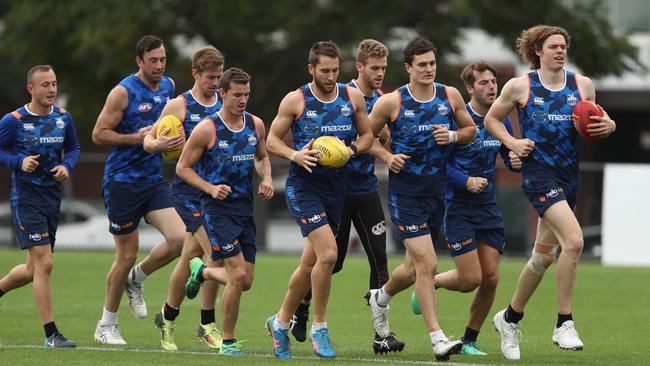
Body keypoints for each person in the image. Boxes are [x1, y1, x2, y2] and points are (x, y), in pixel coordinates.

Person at [485, 25, 616, 360]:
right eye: (553, 46)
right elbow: (491, 120)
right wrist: (513, 142)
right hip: (538, 176)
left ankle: (509, 318)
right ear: (538, 51)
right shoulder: (520, 86)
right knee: (574, 241)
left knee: (542, 257)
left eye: (564, 46)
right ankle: (564, 323)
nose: (560, 51)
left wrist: (609, 125)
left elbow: (595, 123)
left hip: (569, 178)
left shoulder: (582, 85)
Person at [289, 39, 405, 354]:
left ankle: (382, 333)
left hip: (365, 188)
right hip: (335, 191)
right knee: (331, 262)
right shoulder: (343, 95)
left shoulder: (382, 100)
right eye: (375, 68)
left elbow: (378, 136)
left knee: (380, 258)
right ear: (360, 67)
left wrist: (382, 143)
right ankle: (301, 307)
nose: (380, 74)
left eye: (384, 68)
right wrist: (379, 152)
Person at [366, 37, 476, 361]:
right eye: (422, 64)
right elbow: (364, 137)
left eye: (432, 63)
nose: (429, 69)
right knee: (428, 264)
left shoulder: (449, 95)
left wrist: (454, 135)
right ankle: (438, 338)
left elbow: (471, 130)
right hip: (406, 195)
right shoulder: (391, 102)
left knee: (412, 269)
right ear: (408, 68)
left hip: (436, 193)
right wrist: (387, 156)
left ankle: (380, 298)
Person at [264, 40, 373, 359]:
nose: (330, 76)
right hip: (304, 187)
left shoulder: (352, 97)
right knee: (328, 255)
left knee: (310, 262)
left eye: (335, 70)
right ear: (311, 69)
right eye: (324, 70)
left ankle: (280, 322)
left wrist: (351, 150)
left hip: (335, 189)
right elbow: (271, 140)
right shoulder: (295, 100)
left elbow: (367, 136)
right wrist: (294, 154)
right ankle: (320, 328)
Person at [411, 60, 522, 356]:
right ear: (470, 88)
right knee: (470, 279)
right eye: (483, 83)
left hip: (488, 207)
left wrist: (515, 160)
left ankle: (470, 340)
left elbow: (507, 156)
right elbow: (439, 164)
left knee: (492, 278)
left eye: (493, 82)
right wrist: (465, 181)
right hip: (457, 206)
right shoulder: (458, 120)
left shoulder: (501, 120)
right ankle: (430, 283)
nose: (491, 87)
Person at [92, 35, 185, 345]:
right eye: (153, 60)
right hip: (122, 181)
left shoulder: (169, 87)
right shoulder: (123, 92)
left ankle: (138, 279)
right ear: (139, 62)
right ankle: (106, 325)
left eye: (162, 59)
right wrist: (138, 137)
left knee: (179, 239)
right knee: (126, 254)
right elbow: (99, 134)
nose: (159, 66)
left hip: (152, 178)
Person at [178, 67, 274, 356]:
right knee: (236, 274)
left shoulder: (255, 124)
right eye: (237, 95)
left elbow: (263, 157)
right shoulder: (207, 128)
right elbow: (182, 168)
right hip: (217, 212)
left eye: (247, 94)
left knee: (245, 281)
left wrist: (267, 177)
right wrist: (209, 188)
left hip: (246, 210)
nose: (243, 99)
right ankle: (229, 342)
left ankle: (203, 270)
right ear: (222, 93)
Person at [142, 46, 226, 351]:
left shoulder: (224, 103)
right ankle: (207, 325)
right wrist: (159, 143)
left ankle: (166, 316)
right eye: (210, 77)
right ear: (195, 73)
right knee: (215, 252)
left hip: (215, 193)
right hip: (188, 191)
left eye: (218, 77)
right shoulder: (179, 106)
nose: (215, 83)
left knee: (188, 258)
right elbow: (149, 140)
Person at [0, 65, 80, 348]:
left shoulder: (62, 118)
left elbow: (73, 148)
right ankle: (51, 335)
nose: (51, 89)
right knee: (45, 264)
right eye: (45, 84)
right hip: (26, 200)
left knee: (32, 270)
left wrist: (66, 166)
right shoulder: (14, 120)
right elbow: (2, 150)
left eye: (54, 83)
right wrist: (18, 162)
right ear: (31, 89)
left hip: (51, 199)